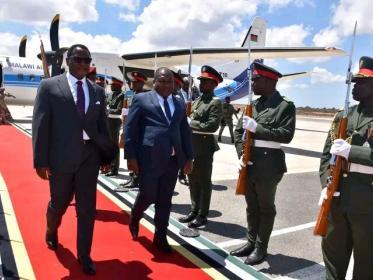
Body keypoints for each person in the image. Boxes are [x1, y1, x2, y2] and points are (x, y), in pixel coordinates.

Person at [32, 44, 115, 275]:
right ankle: (51, 228)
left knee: (87, 208)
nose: (82, 64)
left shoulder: (97, 91)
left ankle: (84, 254)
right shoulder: (49, 86)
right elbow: (41, 124)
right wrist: (40, 160)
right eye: (78, 59)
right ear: (68, 61)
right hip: (61, 157)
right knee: (59, 202)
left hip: (89, 156)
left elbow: (102, 126)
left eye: (86, 60)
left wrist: (107, 154)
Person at [229, 62, 296, 265]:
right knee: (251, 207)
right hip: (249, 162)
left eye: (256, 80)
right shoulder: (253, 105)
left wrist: (258, 128)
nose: (253, 84)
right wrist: (242, 153)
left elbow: (286, 135)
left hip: (269, 164)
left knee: (266, 208)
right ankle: (250, 242)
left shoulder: (285, 106)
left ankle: (260, 247)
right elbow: (239, 132)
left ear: (269, 81)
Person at [125, 67, 193, 253]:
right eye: (161, 80)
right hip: (149, 159)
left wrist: (189, 157)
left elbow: (185, 132)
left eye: (169, 81)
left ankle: (160, 236)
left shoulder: (179, 103)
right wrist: (130, 157)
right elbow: (130, 129)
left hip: (172, 160)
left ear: (174, 83)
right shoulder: (141, 99)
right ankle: (135, 216)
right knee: (148, 195)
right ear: (154, 82)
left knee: (165, 200)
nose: (165, 84)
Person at [318, 56, 373, 280]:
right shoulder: (343, 115)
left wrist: (352, 152)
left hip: (367, 202)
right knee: (332, 258)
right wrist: (325, 185)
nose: (355, 86)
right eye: (354, 82)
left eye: (361, 82)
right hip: (337, 199)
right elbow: (325, 156)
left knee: (366, 264)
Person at [178, 65, 223, 228]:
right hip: (191, 146)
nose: (201, 84)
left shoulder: (215, 102)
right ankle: (194, 210)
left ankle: (202, 215)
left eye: (205, 81)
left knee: (203, 182)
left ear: (214, 84)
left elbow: (212, 126)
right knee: (193, 179)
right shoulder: (196, 101)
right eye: (201, 81)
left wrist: (191, 122)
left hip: (204, 147)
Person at [116, 70, 148, 190]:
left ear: (141, 83)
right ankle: (132, 176)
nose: (132, 84)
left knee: (137, 155)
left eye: (135, 82)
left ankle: (137, 179)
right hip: (130, 128)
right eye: (131, 82)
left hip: (139, 130)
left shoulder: (145, 96)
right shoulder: (131, 95)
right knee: (131, 153)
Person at [105, 77, 124, 177]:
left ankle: (114, 168)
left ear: (118, 85)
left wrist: (108, 110)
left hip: (115, 122)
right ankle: (109, 166)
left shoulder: (121, 96)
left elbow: (119, 110)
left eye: (113, 85)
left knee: (114, 145)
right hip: (108, 121)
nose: (111, 86)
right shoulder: (110, 95)